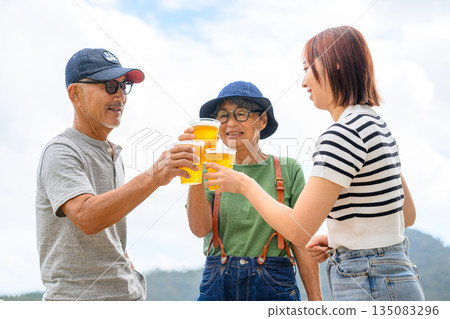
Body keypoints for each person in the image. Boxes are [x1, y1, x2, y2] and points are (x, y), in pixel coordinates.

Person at [203, 27, 425, 301]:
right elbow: (407, 215)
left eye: (308, 67)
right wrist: (338, 240)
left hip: (368, 279)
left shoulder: (342, 134)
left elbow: (298, 229)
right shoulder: (375, 124)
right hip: (394, 271)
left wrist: (245, 185)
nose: (304, 81)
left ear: (336, 64)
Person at [36, 48, 198, 301]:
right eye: (110, 86)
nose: (121, 96)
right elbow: (87, 217)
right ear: (75, 94)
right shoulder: (61, 150)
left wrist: (122, 261)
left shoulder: (113, 153)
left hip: (127, 295)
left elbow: (106, 228)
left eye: (124, 86)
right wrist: (154, 176)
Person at [180, 81, 322, 301]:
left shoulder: (288, 169)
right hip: (218, 281)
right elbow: (199, 229)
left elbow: (301, 243)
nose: (230, 123)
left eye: (241, 114)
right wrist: (195, 171)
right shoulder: (209, 170)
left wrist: (317, 303)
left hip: (275, 281)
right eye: (223, 116)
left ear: (262, 120)